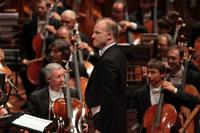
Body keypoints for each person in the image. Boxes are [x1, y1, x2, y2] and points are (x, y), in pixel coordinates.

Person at [132, 59, 200, 132]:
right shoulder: (139, 94)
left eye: (153, 72)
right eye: (148, 72)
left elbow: (195, 102)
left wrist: (175, 90)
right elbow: (140, 118)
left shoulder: (172, 90)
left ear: (162, 74)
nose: (149, 75)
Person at [85, 18, 127, 133]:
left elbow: (109, 97)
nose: (92, 36)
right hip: (115, 117)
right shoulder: (117, 52)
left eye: (97, 33)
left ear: (109, 36)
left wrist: (101, 128)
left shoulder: (108, 60)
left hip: (108, 122)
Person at [19, 0, 61, 109]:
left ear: (48, 8)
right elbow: (23, 45)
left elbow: (61, 44)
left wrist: (55, 33)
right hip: (33, 58)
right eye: (37, 8)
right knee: (23, 71)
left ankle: (47, 101)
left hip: (50, 59)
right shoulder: (29, 24)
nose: (39, 10)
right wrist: (24, 58)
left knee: (47, 73)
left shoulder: (55, 23)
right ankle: (30, 98)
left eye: (42, 8)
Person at [27, 63, 88, 132]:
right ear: (48, 79)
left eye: (63, 76)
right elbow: (31, 119)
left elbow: (79, 112)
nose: (62, 79)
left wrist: (83, 123)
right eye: (58, 77)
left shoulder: (73, 93)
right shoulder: (36, 97)